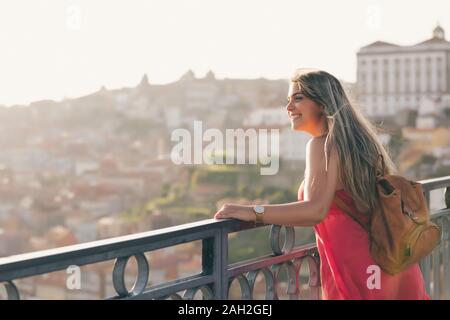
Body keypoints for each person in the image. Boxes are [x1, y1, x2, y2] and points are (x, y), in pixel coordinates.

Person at [214, 68, 430, 300]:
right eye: (288, 100)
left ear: (322, 102)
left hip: (361, 268)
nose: (288, 108)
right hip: (392, 262)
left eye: (298, 98)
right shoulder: (359, 144)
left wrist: (251, 211)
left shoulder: (322, 145)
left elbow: (315, 210)